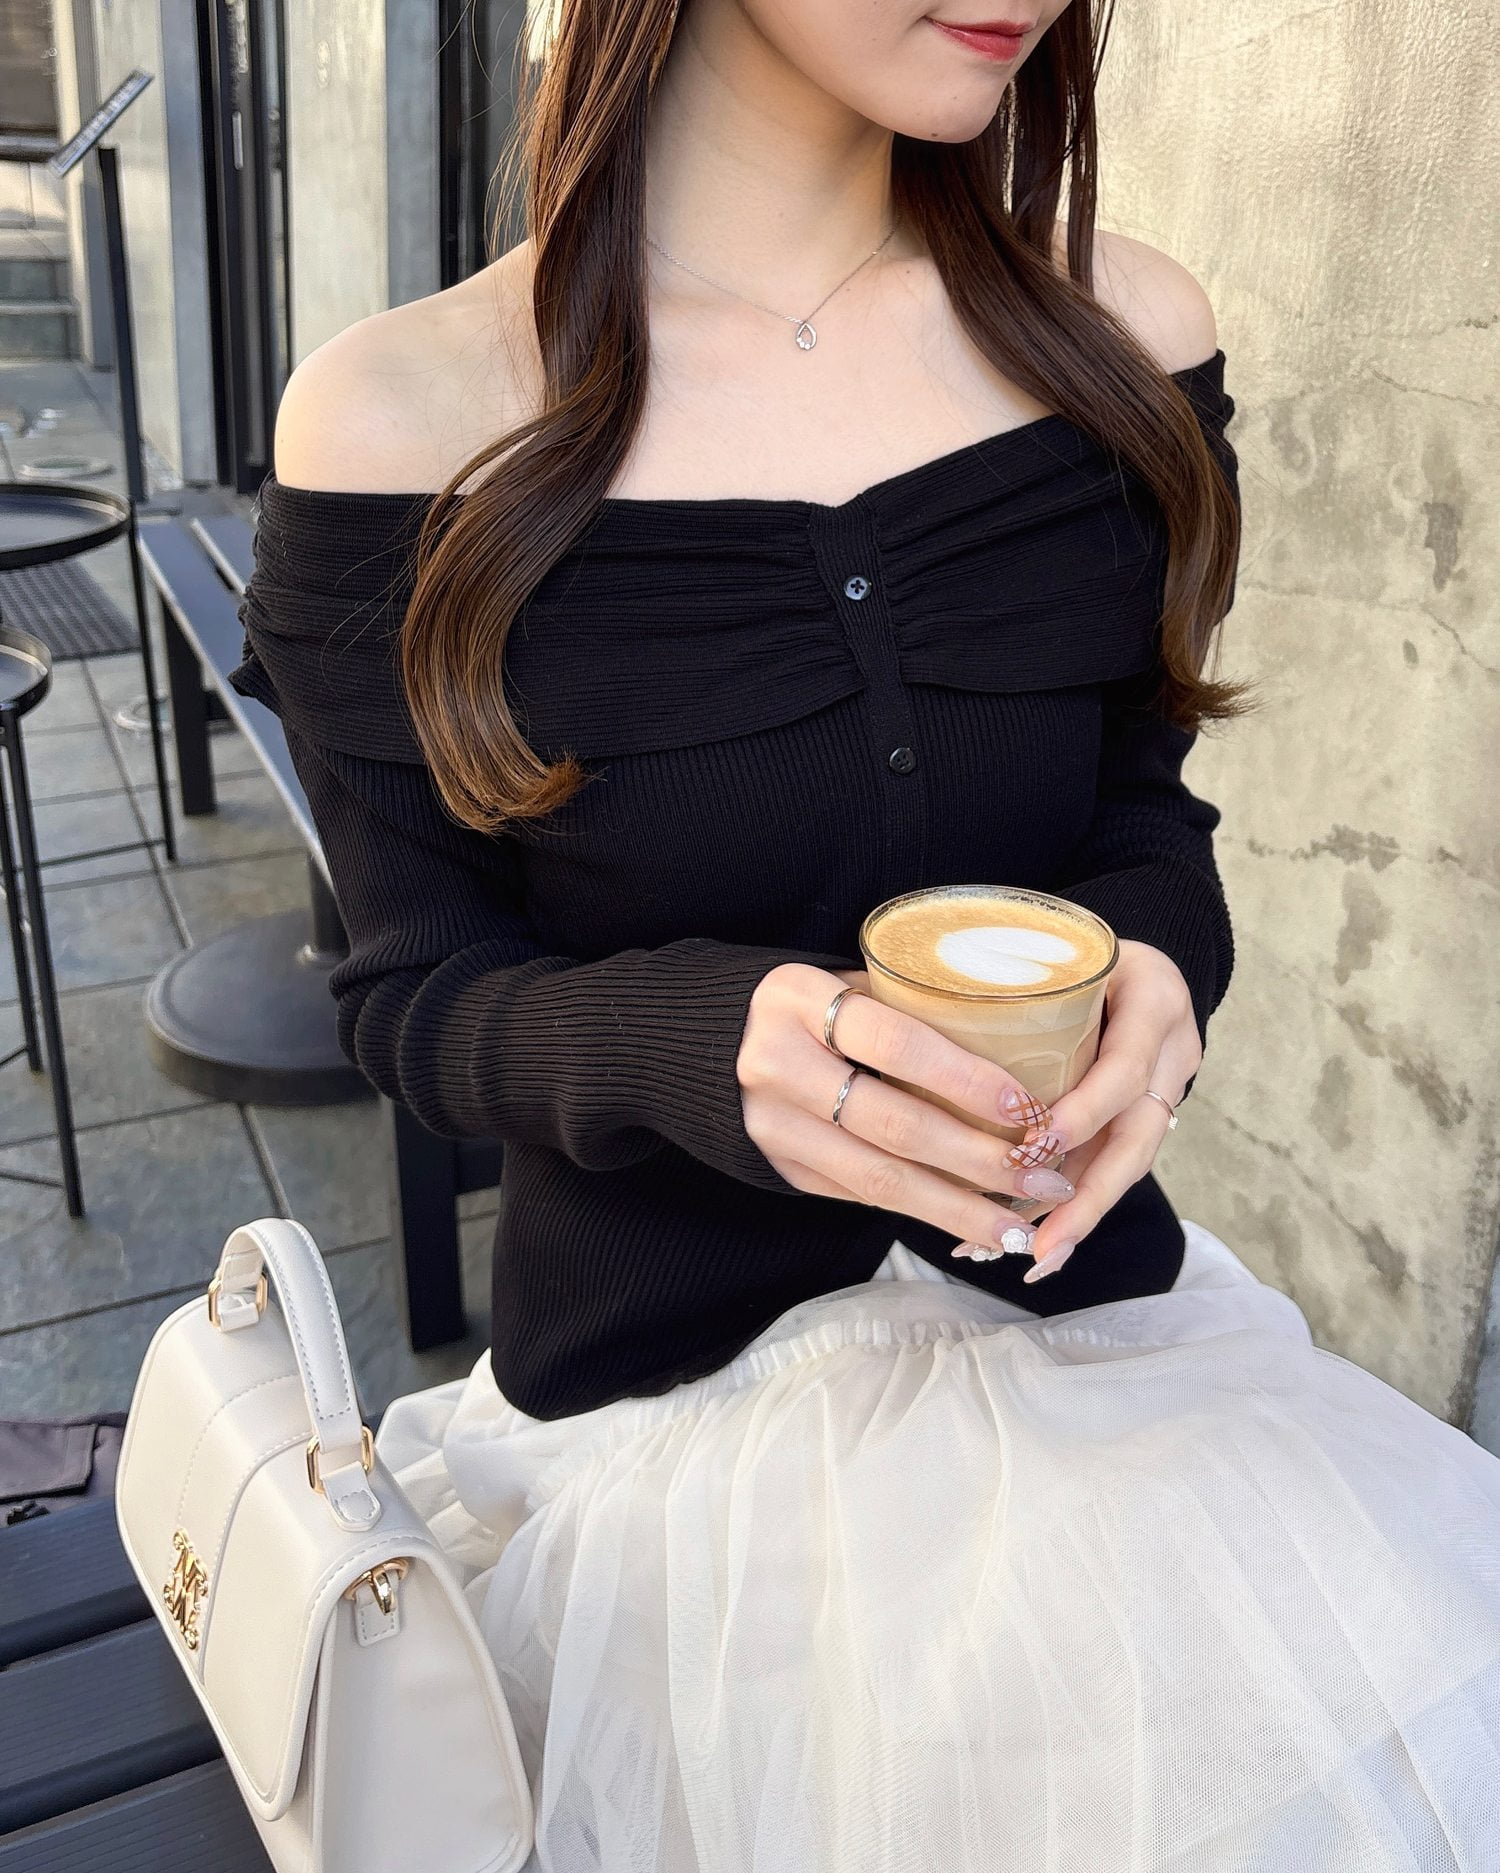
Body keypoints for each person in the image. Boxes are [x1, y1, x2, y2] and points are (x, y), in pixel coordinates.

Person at [230, 0, 1500, 1866]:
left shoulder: (1125, 337)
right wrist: (700, 1044)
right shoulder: (401, 421)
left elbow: (1141, 814)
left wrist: (1162, 972)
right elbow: (417, 992)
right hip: (667, 1445)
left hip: (1112, 1369)